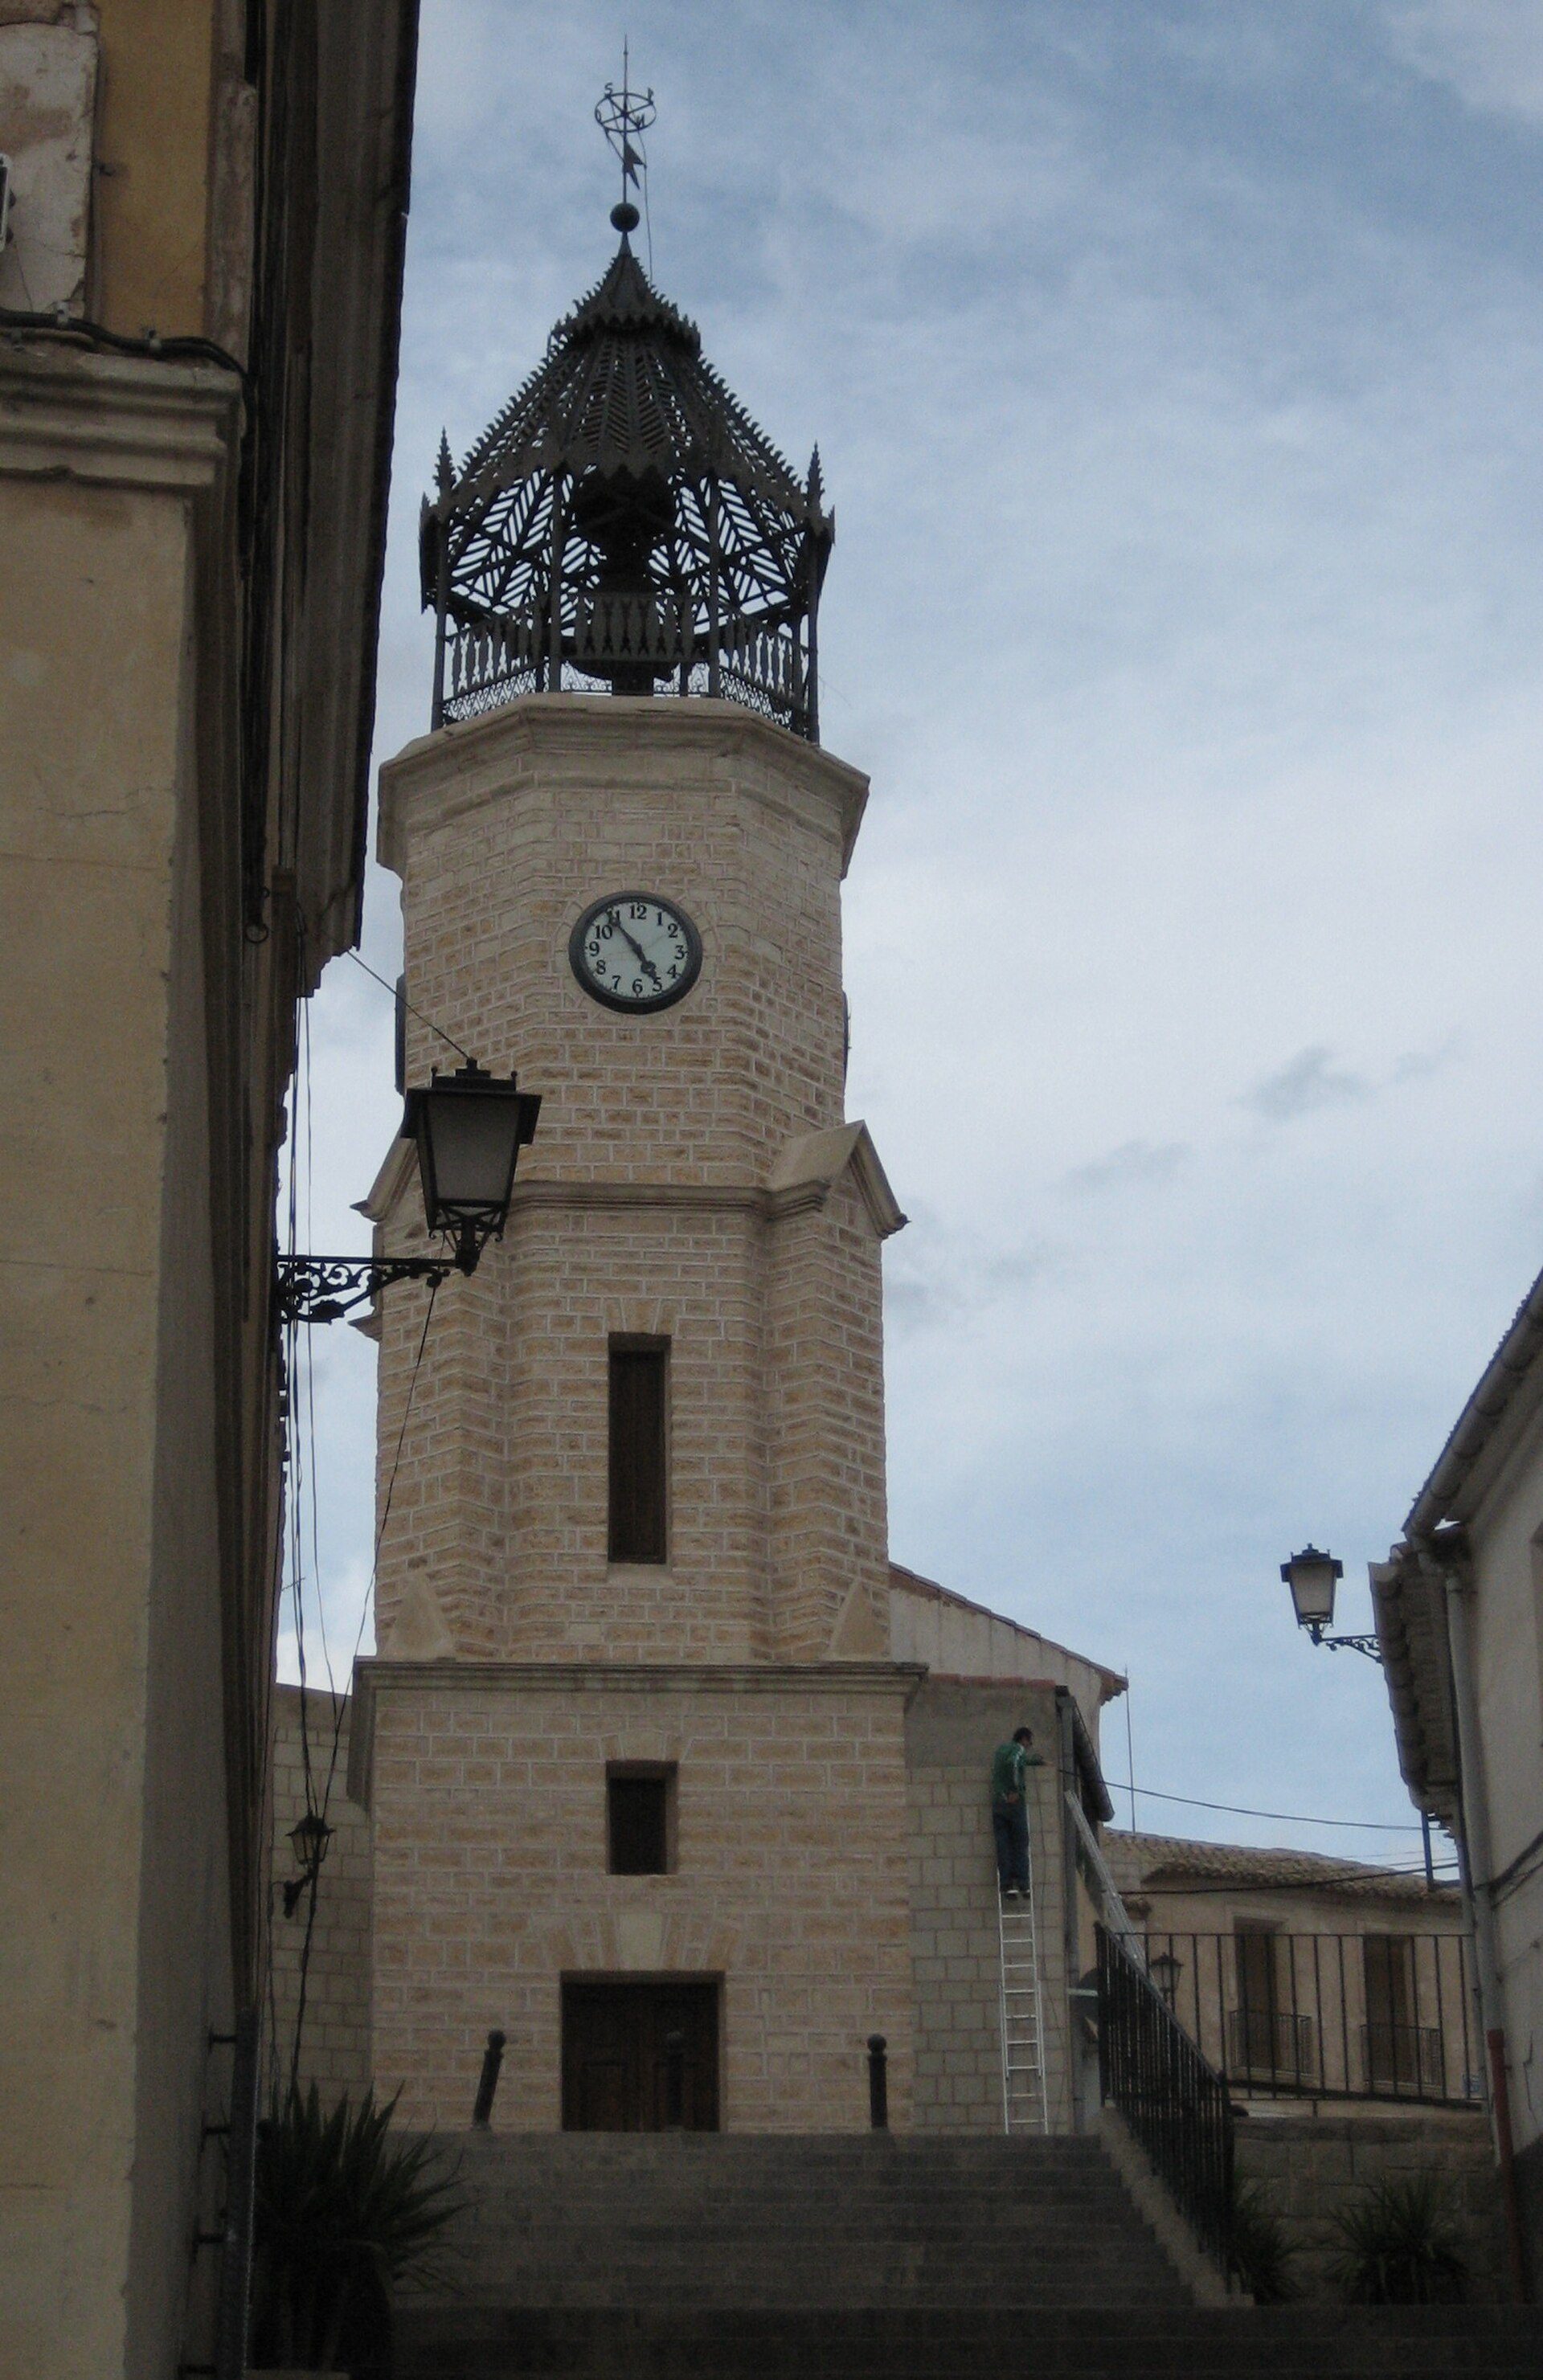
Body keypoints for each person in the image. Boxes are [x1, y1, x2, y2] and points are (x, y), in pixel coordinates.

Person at [990, 1725, 1044, 1899]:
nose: (1028, 1747)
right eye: (1029, 1743)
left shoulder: (1001, 1750)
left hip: (998, 1803)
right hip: (1013, 1804)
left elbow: (1019, 1761)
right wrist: (1014, 1790)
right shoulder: (1018, 1749)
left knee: (1003, 1845)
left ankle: (1006, 1884)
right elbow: (1015, 1762)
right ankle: (1022, 1883)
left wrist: (1037, 1761)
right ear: (1024, 1739)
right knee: (1020, 1844)